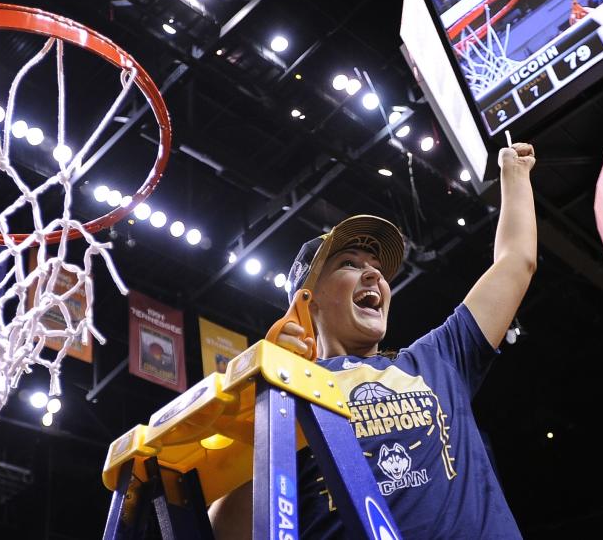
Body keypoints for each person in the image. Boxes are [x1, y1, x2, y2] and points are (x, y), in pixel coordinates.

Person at [207, 142, 538, 539]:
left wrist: (514, 173)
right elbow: (224, 530)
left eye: (378, 269)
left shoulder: (438, 358)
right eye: (349, 264)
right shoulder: (285, 395)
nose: (374, 276)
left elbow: (517, 261)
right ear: (306, 303)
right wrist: (262, 395)